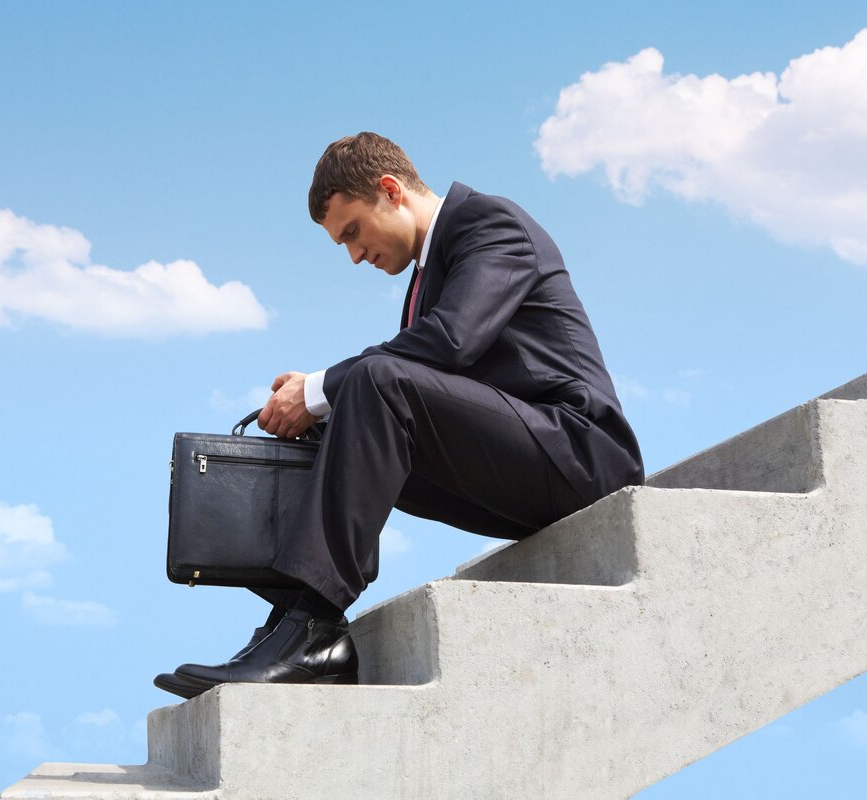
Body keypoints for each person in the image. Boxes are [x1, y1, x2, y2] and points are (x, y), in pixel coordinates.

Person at [154, 132, 643, 699]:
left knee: (372, 383)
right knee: (337, 420)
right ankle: (290, 621)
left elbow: (451, 341)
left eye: (352, 232)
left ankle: (312, 628)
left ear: (391, 191)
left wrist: (318, 387)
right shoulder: (425, 275)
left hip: (582, 455)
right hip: (527, 466)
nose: (354, 255)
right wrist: (322, 404)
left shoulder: (489, 223)